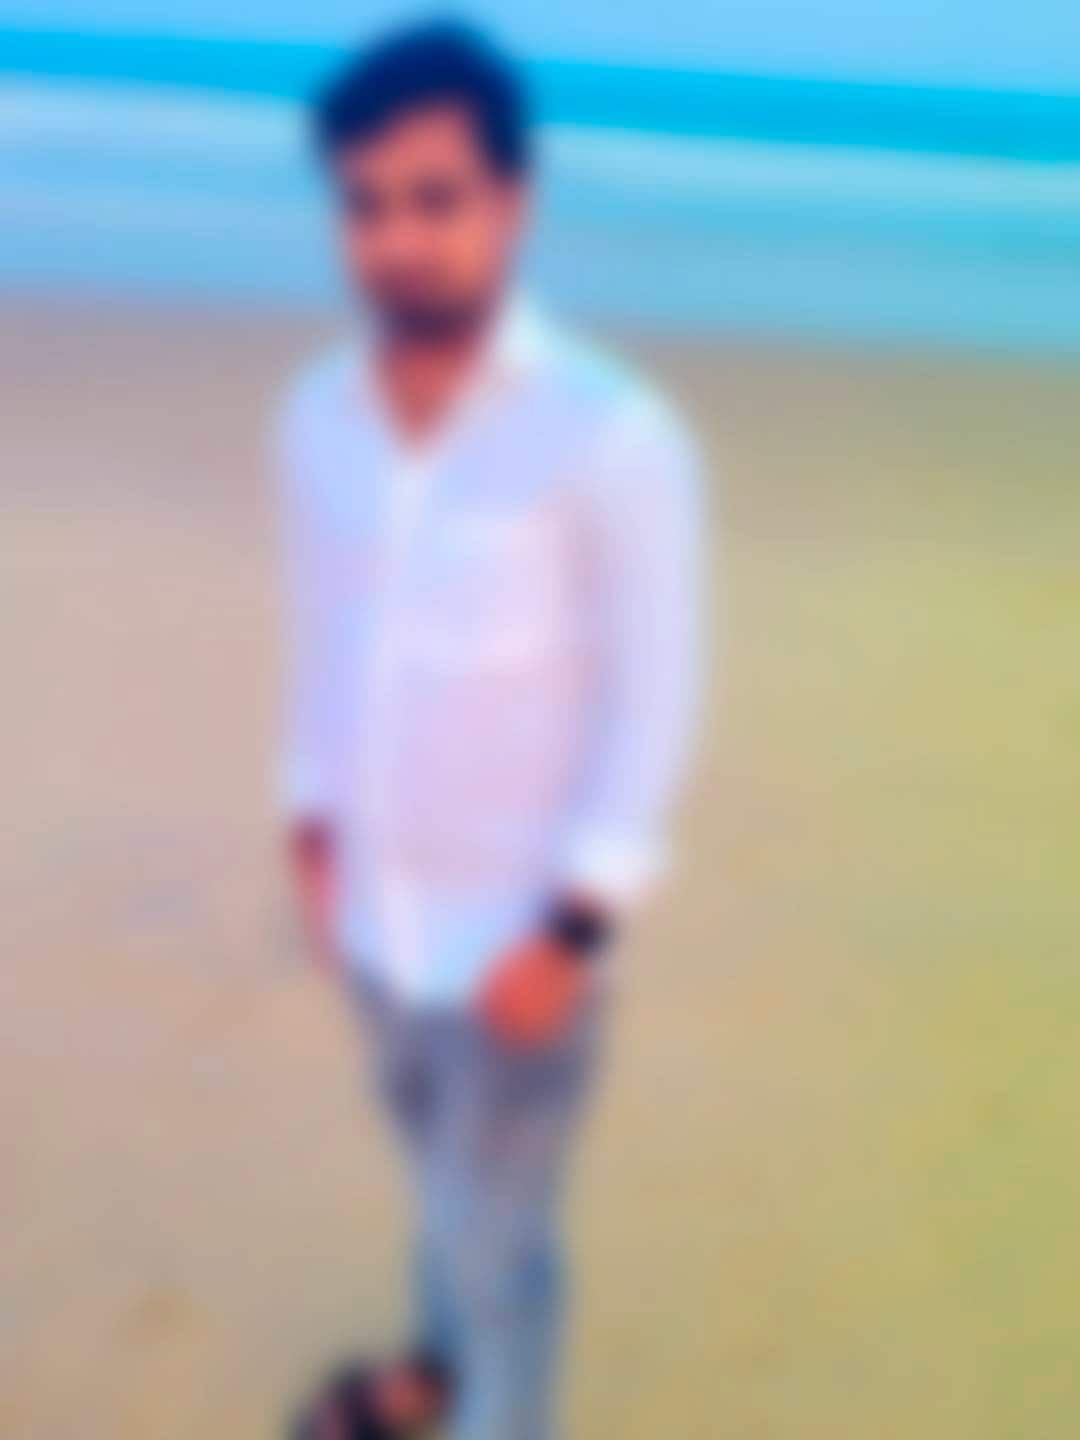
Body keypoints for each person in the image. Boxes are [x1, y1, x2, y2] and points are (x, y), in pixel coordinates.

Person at [277, 20, 705, 1440]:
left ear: (511, 203)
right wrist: (310, 819)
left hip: (517, 953)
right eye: (364, 204)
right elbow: (328, 637)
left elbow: (654, 702)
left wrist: (573, 934)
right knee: (442, 1194)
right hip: (377, 924)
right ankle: (435, 1371)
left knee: (502, 1251)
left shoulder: (614, 438)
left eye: (436, 198)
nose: (397, 240)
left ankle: (490, 1407)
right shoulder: (318, 421)